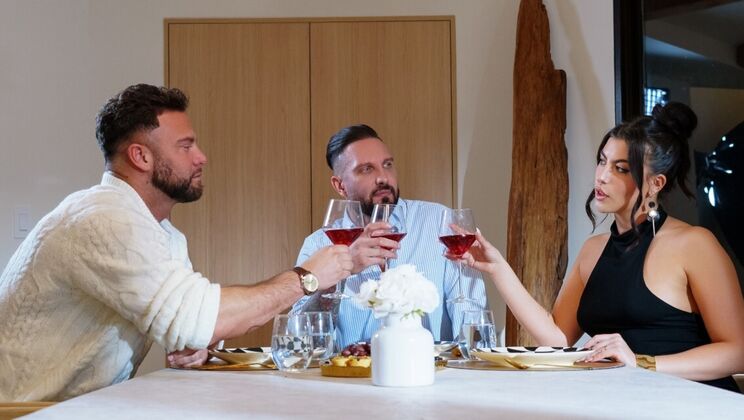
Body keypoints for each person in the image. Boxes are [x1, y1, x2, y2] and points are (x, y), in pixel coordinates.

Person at [0, 84, 352, 402]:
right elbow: (201, 319)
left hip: (84, 408)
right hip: (28, 412)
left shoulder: (164, 234)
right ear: (141, 157)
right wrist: (306, 277)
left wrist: (195, 345)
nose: (201, 157)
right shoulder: (105, 219)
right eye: (185, 146)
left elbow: (191, 327)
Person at [449, 102, 744, 392]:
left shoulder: (694, 244)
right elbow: (557, 340)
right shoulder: (593, 250)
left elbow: (737, 351)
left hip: (694, 404)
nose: (602, 176)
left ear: (656, 184)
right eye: (602, 161)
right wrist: (497, 268)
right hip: (624, 404)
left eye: (621, 169)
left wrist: (643, 362)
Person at [292, 124, 488, 347]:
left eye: (387, 165)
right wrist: (338, 274)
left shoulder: (440, 223)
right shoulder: (318, 244)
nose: (383, 178)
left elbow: (473, 319)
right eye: (366, 169)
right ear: (340, 186)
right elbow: (300, 342)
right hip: (349, 368)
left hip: (430, 368)